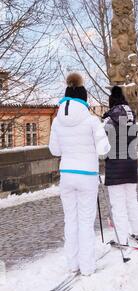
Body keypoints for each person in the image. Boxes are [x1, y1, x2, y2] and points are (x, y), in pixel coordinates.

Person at [49, 73, 111, 276]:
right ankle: (87, 266)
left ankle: (72, 264)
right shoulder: (92, 121)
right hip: (86, 175)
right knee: (85, 221)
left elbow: (55, 151)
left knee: (70, 220)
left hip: (66, 174)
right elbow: (104, 150)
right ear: (84, 99)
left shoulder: (57, 122)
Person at [103, 86, 138, 247]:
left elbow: (103, 141)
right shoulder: (131, 116)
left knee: (118, 205)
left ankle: (122, 240)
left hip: (115, 166)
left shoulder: (109, 119)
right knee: (132, 201)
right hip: (131, 164)